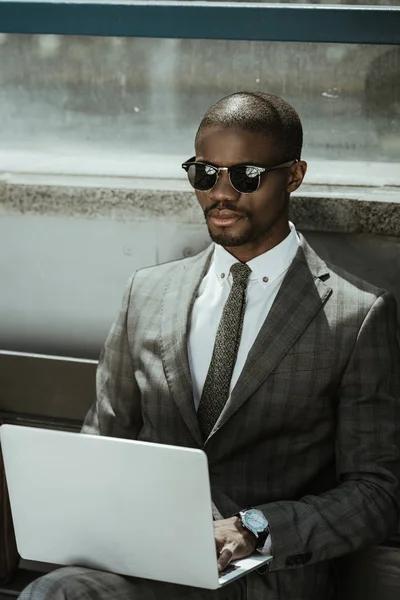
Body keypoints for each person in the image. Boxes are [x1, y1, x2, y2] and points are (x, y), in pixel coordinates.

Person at [19, 91, 400, 600]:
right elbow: (103, 443)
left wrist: (253, 529)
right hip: (143, 562)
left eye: (245, 176)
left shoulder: (357, 315)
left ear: (294, 176)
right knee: (55, 594)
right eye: (205, 173)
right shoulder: (147, 294)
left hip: (263, 578)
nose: (222, 193)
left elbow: (378, 493)